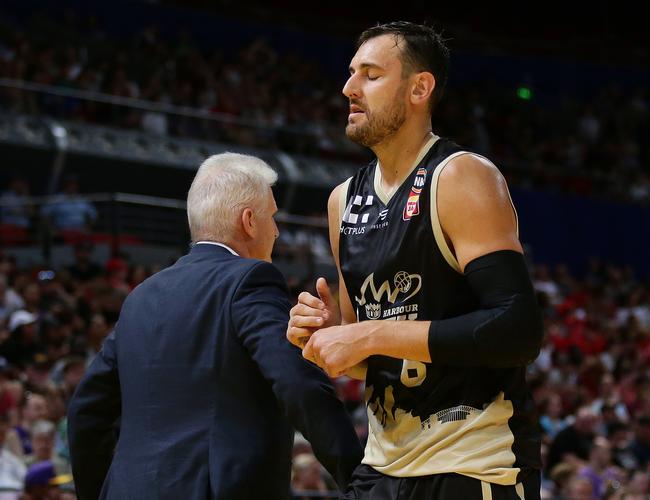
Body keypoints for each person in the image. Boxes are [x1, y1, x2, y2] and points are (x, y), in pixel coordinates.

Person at [287, 21, 544, 499]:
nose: (348, 88)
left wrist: (368, 333)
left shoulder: (460, 175)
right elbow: (371, 359)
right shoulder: (342, 201)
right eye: (350, 73)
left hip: (471, 465)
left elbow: (518, 330)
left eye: (370, 74)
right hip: (382, 466)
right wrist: (325, 339)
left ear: (419, 88)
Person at [67, 153, 362, 500]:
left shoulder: (141, 297)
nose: (277, 230)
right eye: (272, 217)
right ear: (249, 221)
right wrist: (359, 480)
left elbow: (86, 410)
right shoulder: (251, 279)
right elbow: (298, 384)